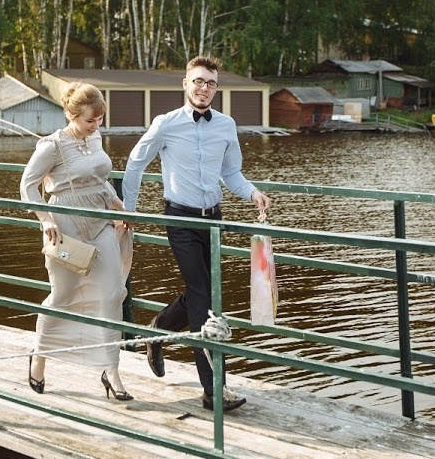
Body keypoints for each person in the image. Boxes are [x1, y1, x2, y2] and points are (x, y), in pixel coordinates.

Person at [122, 56, 271, 412]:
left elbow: (231, 173)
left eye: (211, 83)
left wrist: (252, 193)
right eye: (198, 81)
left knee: (199, 292)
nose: (204, 88)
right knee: (204, 298)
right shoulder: (165, 124)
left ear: (216, 88)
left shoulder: (226, 125)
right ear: (185, 84)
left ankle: (157, 332)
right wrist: (128, 208)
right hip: (180, 219)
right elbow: (135, 163)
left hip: (213, 221)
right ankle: (212, 390)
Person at [21, 82, 133, 401]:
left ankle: (110, 371)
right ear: (72, 116)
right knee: (62, 297)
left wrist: (117, 204)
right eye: (89, 121)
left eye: (100, 120)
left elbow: (100, 179)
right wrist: (45, 220)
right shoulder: (52, 146)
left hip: (100, 223)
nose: (95, 127)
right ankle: (39, 357)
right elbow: (27, 186)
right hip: (66, 229)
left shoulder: (94, 137)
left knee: (113, 292)